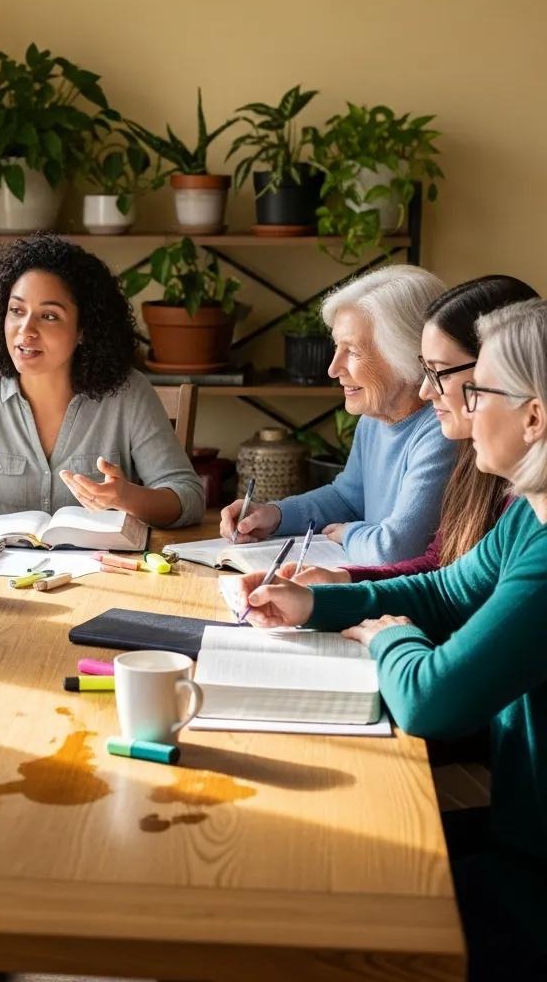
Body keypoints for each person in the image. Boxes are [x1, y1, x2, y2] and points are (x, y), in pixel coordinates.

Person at [236, 298, 547, 980]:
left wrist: (390, 641)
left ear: (534, 416)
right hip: (517, 839)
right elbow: (445, 590)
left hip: (536, 885)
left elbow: (430, 701)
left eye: (479, 389)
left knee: (309, 922)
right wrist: (315, 602)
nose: (454, 402)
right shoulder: (530, 512)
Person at [0, 234, 205, 532]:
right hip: (0, 579)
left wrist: (126, 496)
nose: (26, 331)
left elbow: (188, 498)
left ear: (83, 329)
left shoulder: (129, 392)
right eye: (16, 311)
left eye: (49, 316)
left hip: (102, 578)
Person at [291, 275, 537, 584]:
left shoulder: (528, 510)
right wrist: (339, 586)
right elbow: (443, 577)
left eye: (437, 373)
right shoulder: (483, 475)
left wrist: (384, 631)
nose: (425, 390)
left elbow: (480, 619)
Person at [218, 265, 457, 563]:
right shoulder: (375, 418)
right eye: (336, 347)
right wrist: (274, 515)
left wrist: (348, 535)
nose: (333, 369)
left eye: (353, 351)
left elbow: (396, 549)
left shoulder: (443, 430)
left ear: (406, 355)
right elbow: (347, 498)